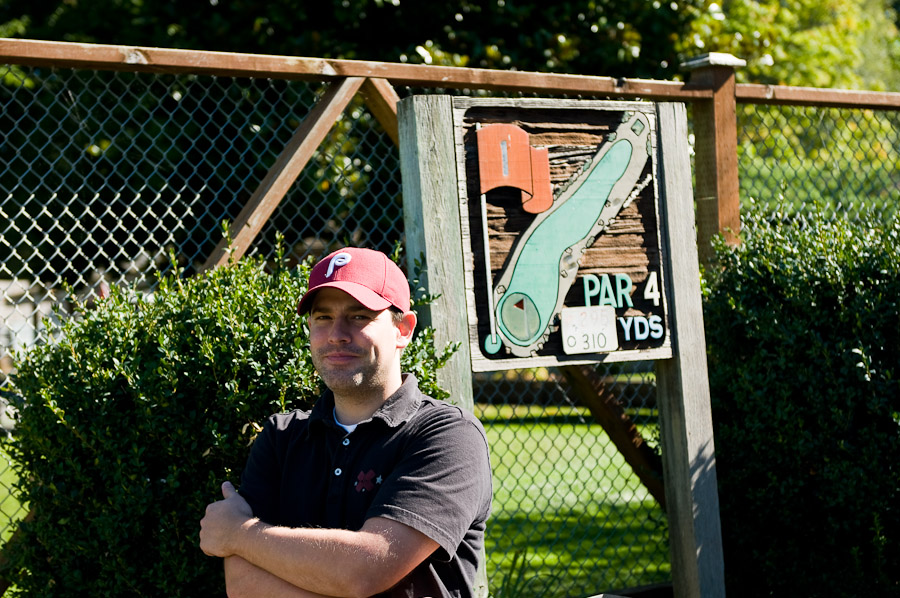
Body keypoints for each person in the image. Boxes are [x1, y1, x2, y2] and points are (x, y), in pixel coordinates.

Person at [200, 247, 492, 598]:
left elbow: (365, 571)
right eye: (323, 317)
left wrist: (239, 534)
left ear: (403, 329)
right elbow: (244, 585)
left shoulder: (447, 436)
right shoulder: (281, 437)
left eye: (358, 316)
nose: (337, 333)